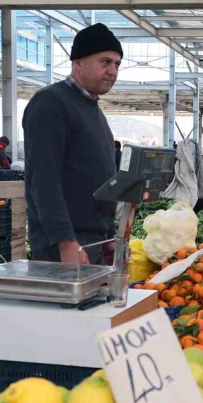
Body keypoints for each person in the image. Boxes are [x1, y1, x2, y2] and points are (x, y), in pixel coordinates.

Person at [23, 23, 122, 265]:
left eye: (117, 64)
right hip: (66, 243)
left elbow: (99, 177)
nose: (113, 71)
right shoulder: (51, 102)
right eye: (105, 61)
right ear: (78, 62)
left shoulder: (93, 110)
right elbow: (43, 178)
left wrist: (107, 234)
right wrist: (65, 242)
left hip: (92, 239)